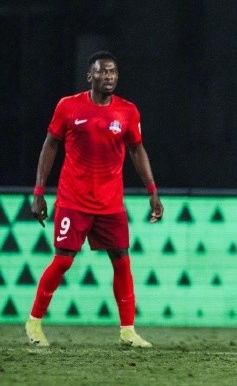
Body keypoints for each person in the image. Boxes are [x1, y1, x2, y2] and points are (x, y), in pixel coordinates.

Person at [26, 51, 164, 348]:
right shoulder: (68, 106)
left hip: (110, 203)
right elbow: (50, 145)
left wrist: (152, 191)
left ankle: (128, 331)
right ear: (90, 76)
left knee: (122, 261)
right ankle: (34, 322)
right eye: (102, 71)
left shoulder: (127, 111)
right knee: (63, 260)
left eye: (113, 72)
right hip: (73, 200)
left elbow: (137, 150)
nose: (108, 76)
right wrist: (38, 193)